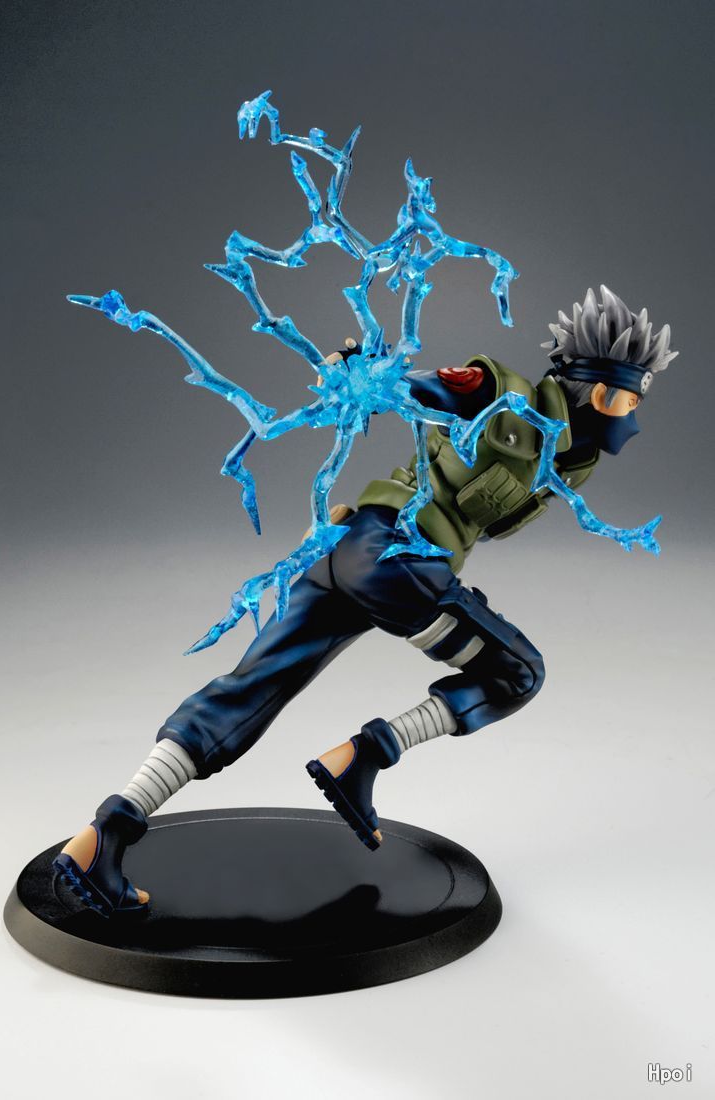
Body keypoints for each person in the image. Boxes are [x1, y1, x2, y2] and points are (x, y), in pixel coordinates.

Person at [52, 285, 676, 917]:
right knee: (516, 673)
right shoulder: (500, 392)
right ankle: (366, 755)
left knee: (247, 692)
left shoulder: (569, 456)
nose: (632, 417)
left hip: (351, 552)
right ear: (601, 391)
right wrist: (365, 373)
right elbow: (420, 389)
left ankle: (106, 834)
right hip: (390, 562)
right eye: (630, 399)